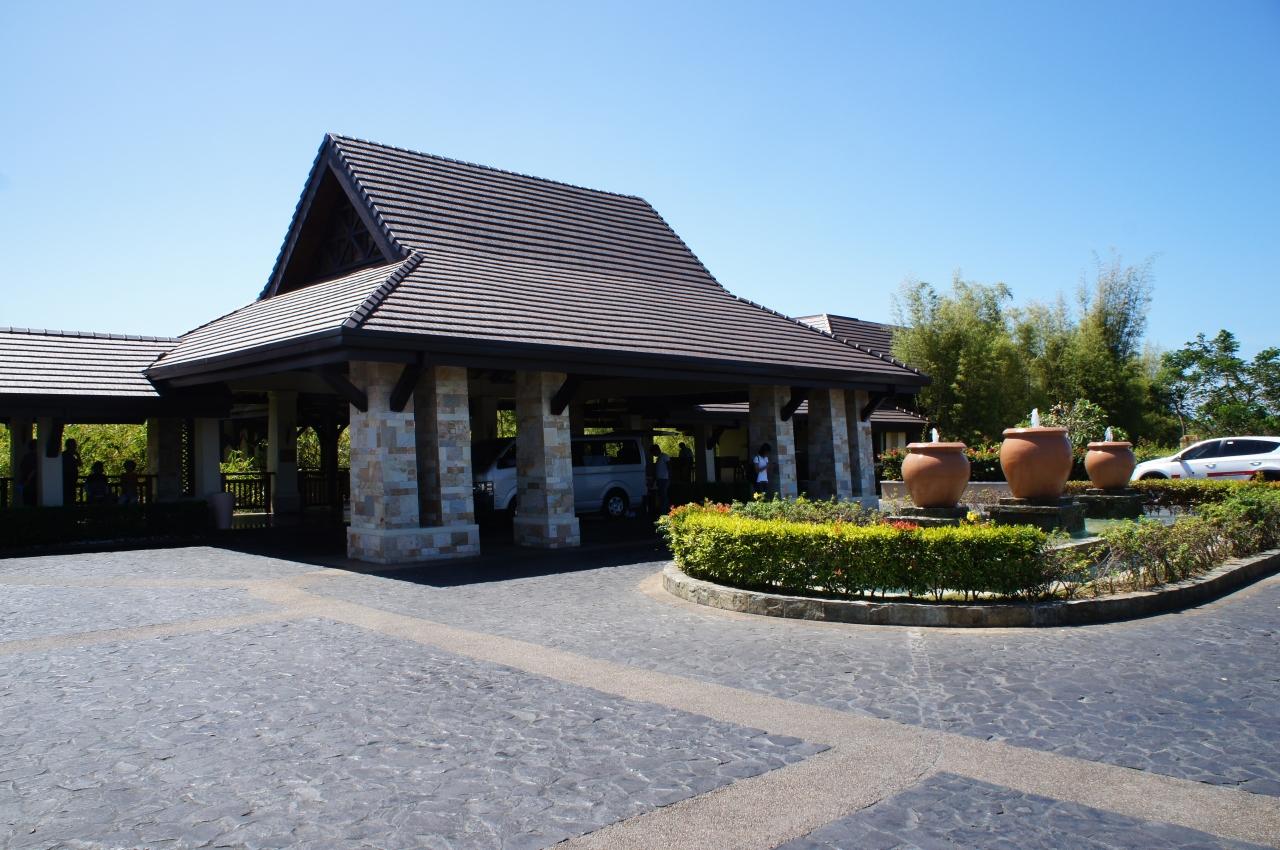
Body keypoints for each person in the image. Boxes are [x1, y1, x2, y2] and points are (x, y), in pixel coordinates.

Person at [650, 443, 671, 514]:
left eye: (653, 452)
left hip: (664, 479)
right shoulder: (659, 458)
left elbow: (669, 467)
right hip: (659, 480)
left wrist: (669, 478)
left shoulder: (664, 456)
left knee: (663, 496)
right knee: (662, 496)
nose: (653, 454)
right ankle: (666, 511)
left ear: (656, 450)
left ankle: (664, 512)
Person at [62, 438, 81, 506]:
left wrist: (78, 455)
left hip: (72, 481)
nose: (75, 447)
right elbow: (79, 464)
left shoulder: (71, 456)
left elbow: (79, 464)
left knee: (71, 497)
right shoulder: (65, 455)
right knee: (69, 498)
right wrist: (77, 455)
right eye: (74, 445)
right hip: (67, 481)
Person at [18, 439, 37, 507]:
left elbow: (21, 470)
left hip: (25, 484)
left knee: (26, 504)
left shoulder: (25, 457)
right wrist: (28, 480)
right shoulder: (36, 457)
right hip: (32, 485)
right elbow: (34, 470)